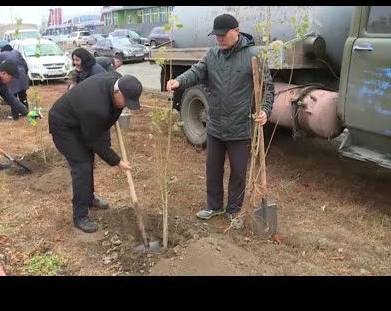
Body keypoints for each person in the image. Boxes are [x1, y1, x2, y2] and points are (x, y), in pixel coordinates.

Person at [166, 14, 275, 224]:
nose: (219, 39)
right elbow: (195, 72)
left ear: (236, 30)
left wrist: (266, 110)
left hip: (240, 126)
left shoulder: (253, 55)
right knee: (213, 169)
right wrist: (178, 81)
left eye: (223, 35)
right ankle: (214, 206)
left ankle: (234, 211)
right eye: (216, 35)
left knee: (238, 173)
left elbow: (268, 87)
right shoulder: (212, 55)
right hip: (215, 124)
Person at [48, 72, 143, 233]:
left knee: (88, 160)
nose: (126, 105)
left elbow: (103, 127)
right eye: (125, 101)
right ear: (117, 92)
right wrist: (117, 161)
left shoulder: (116, 81)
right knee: (82, 167)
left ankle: (89, 198)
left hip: (81, 121)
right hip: (64, 125)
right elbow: (95, 140)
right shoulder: (95, 107)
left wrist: (108, 148)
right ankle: (80, 216)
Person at [0, 40, 30, 120]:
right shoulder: (17, 52)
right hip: (21, 76)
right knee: (23, 95)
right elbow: (25, 64)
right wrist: (25, 74)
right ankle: (26, 112)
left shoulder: (1, 55)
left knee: (12, 96)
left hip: (11, 76)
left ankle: (15, 116)